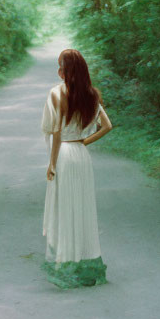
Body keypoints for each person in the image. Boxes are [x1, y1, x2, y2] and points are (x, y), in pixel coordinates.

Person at [40, 48, 113, 288]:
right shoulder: (91, 95)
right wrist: (84, 141)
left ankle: (66, 262)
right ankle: (86, 265)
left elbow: (56, 132)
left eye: (61, 66)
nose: (58, 70)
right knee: (83, 209)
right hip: (81, 156)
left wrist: (51, 164)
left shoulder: (56, 94)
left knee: (65, 210)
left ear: (67, 71)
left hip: (64, 155)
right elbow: (107, 126)